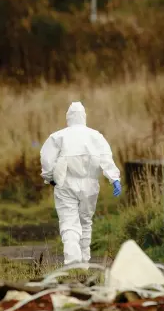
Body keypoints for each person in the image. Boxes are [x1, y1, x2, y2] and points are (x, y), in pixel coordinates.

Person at [40, 102, 121, 265]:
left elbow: (47, 159)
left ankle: (72, 263)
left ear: (68, 118)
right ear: (84, 117)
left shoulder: (58, 136)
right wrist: (114, 179)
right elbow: (106, 157)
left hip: (65, 184)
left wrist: (50, 178)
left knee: (69, 223)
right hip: (90, 185)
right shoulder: (95, 136)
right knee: (85, 222)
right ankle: (84, 261)